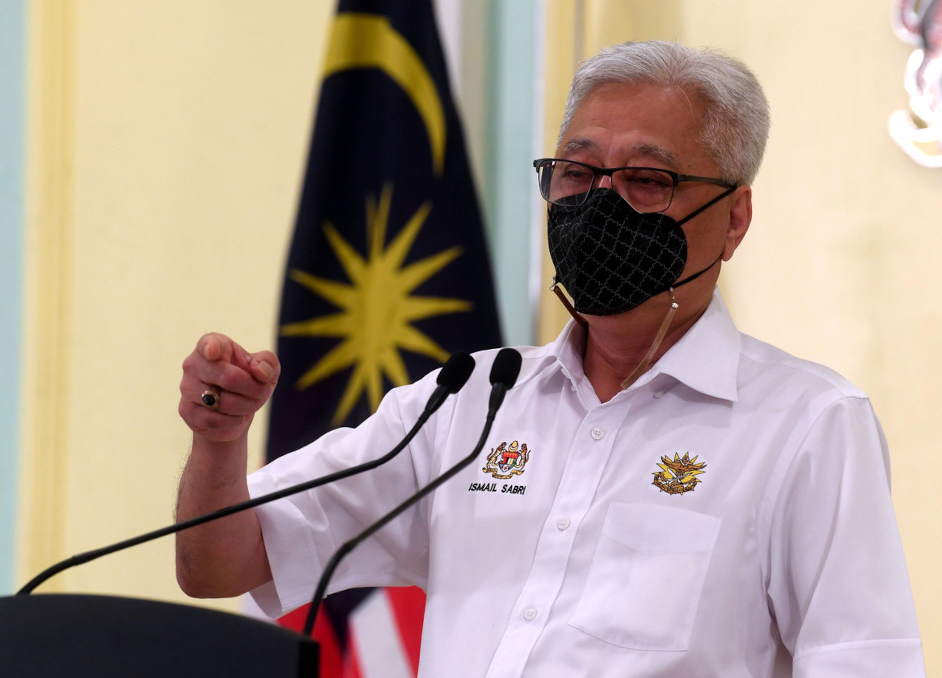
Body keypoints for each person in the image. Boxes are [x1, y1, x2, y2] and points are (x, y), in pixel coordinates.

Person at [176, 41, 926, 677]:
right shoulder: (470, 400)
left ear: (734, 220)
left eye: (646, 180)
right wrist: (220, 440)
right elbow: (218, 563)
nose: (600, 203)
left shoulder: (807, 426)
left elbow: (865, 661)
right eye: (577, 173)